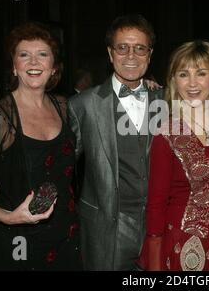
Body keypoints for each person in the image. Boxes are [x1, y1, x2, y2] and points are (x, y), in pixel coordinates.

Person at [0, 22, 81, 270]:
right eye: (24, 55)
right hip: (20, 243)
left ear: (53, 67)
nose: (33, 62)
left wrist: (152, 88)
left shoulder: (65, 107)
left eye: (42, 55)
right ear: (14, 66)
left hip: (68, 237)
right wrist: (7, 217)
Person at [137, 40, 209, 271]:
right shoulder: (167, 133)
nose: (192, 83)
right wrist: (155, 263)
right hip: (186, 245)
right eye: (183, 74)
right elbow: (156, 204)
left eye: (201, 73)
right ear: (174, 81)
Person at [67, 14, 163, 270]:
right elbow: (59, 165)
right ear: (110, 54)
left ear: (149, 55)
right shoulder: (83, 105)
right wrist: (13, 183)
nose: (131, 55)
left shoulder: (165, 100)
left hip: (160, 226)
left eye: (139, 48)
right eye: (123, 47)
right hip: (106, 227)